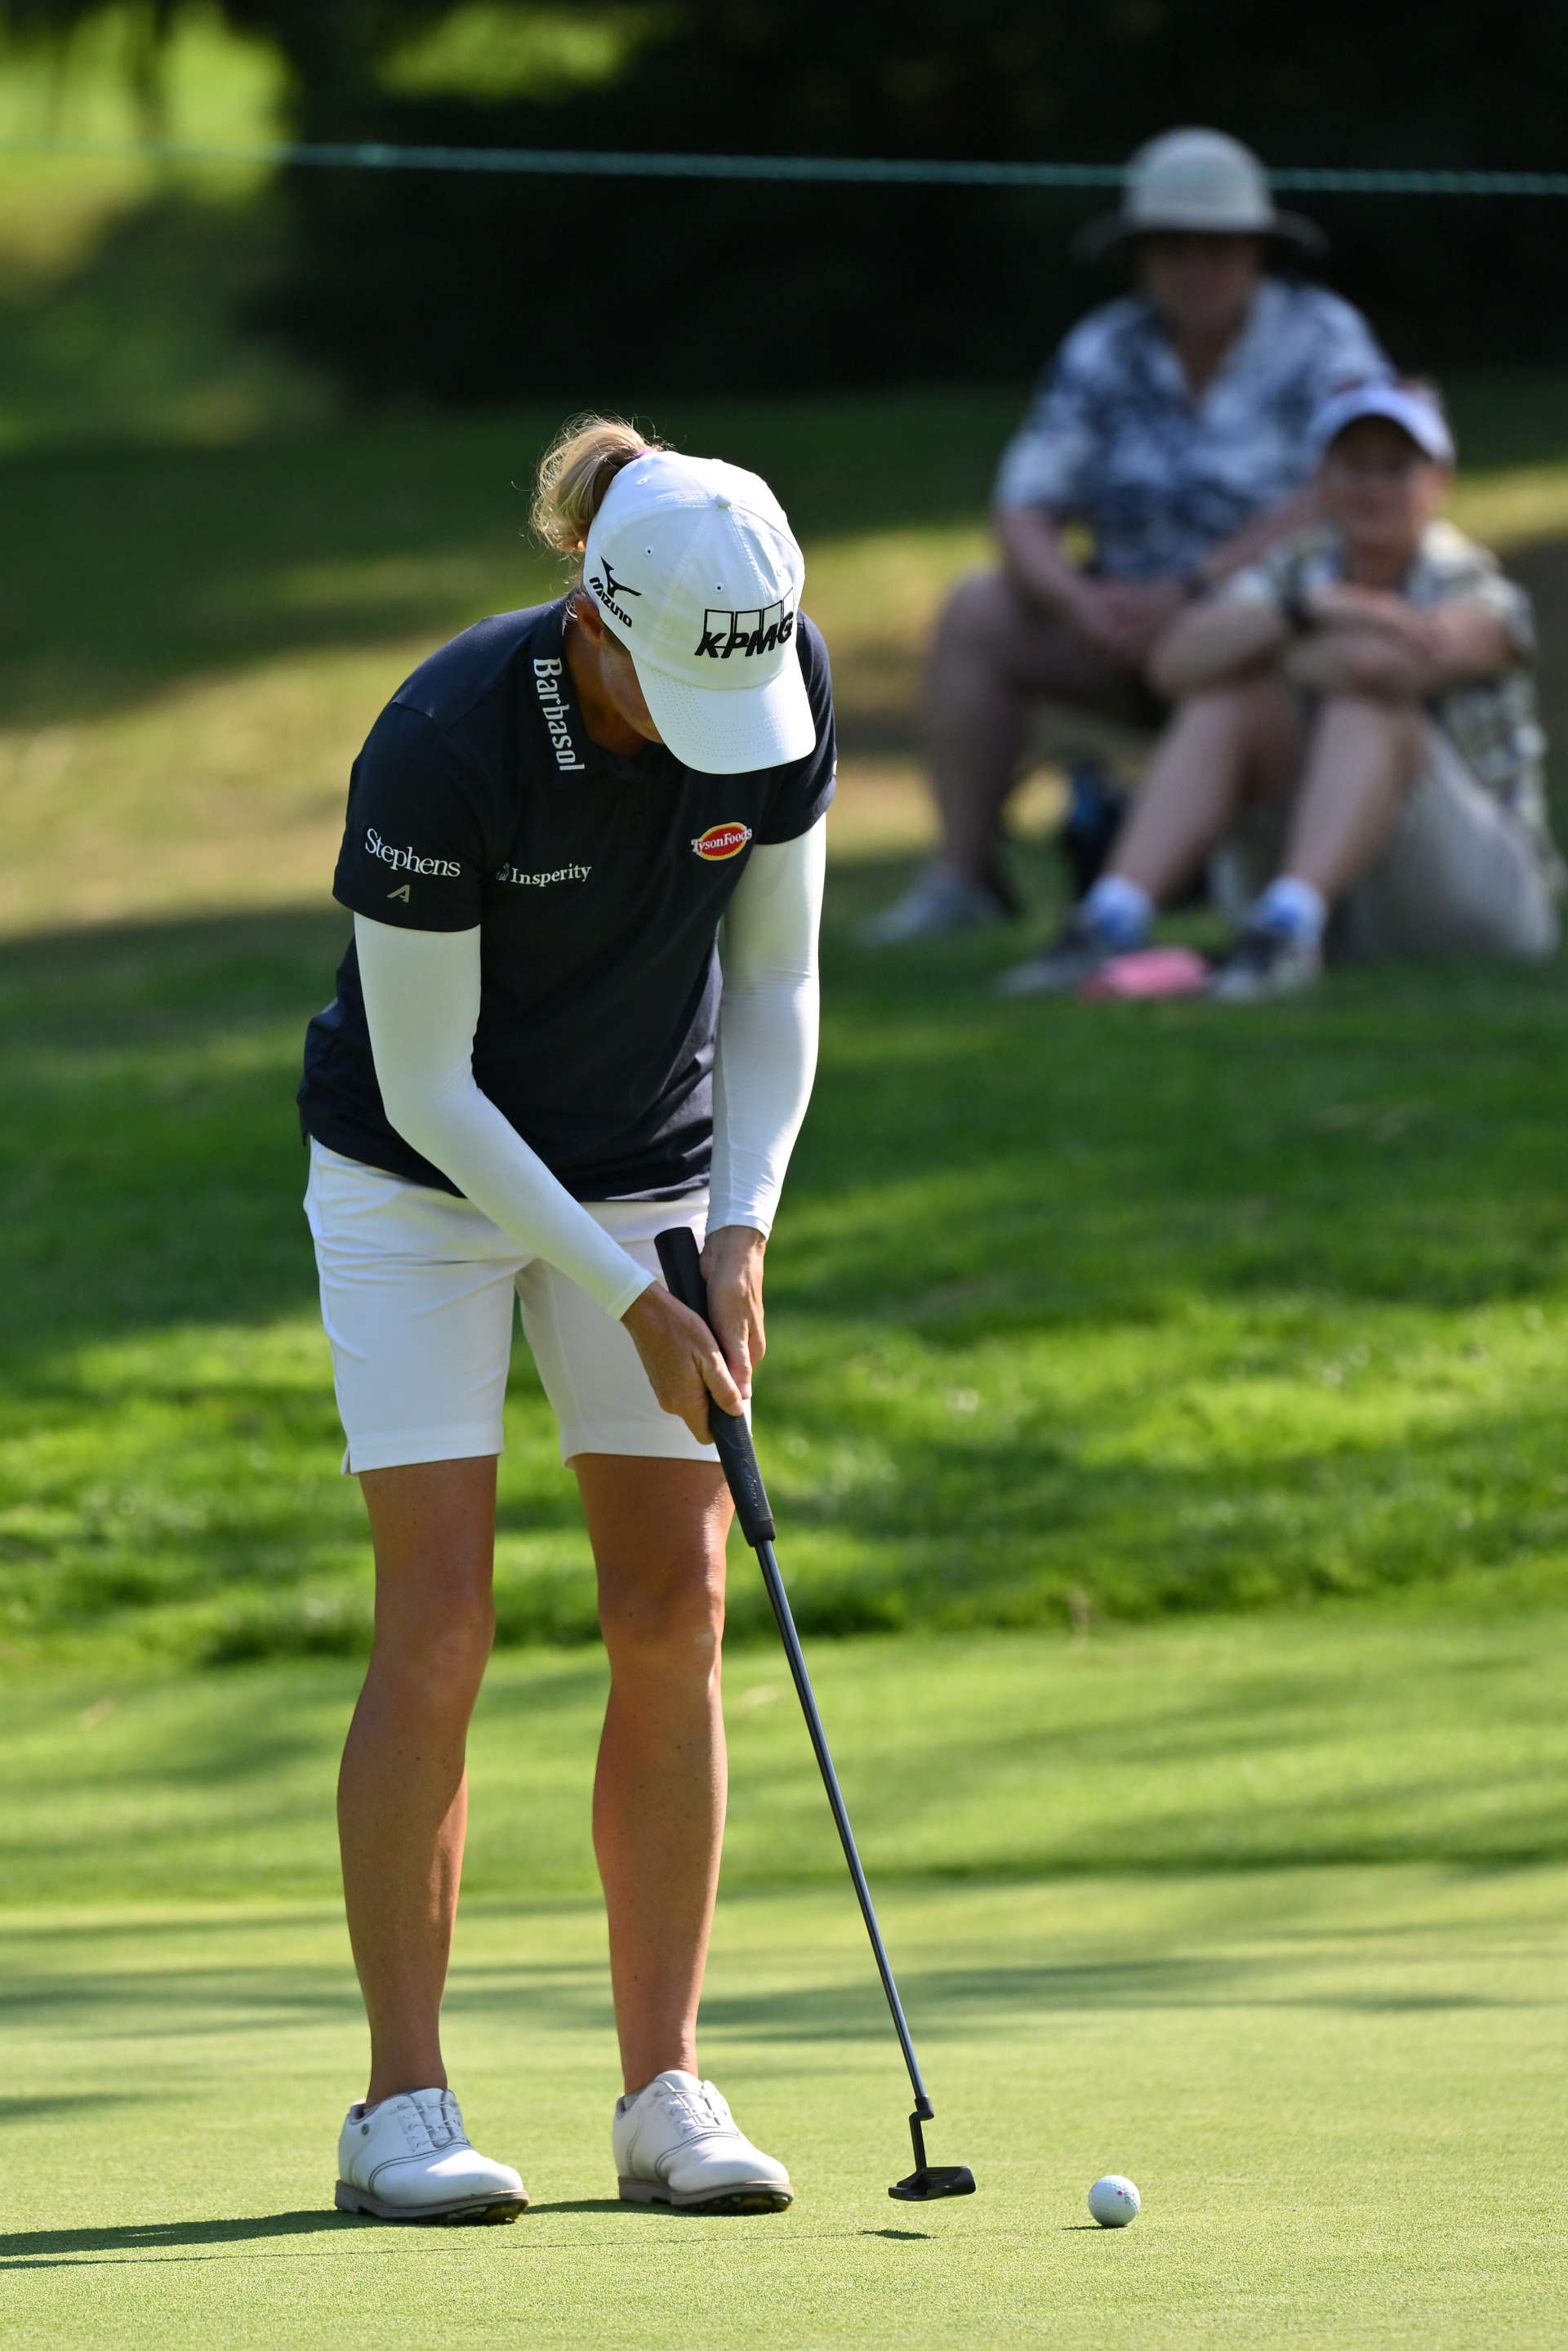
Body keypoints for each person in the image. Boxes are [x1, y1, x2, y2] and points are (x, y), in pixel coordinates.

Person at [296, 417, 835, 2220]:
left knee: (673, 1601)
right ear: (593, 622)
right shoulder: (444, 744)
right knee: (441, 1617)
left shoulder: (774, 674)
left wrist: (736, 1226)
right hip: (412, 1178)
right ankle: (400, 2103)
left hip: (650, 1166)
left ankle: (665, 2086)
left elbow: (773, 981)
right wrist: (625, 1290)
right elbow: (435, 1085)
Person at [864, 127, 1385, 945]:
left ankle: (1190, 896)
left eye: (1218, 243)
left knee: (1244, 656)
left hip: (1271, 631)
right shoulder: (1105, 346)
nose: (1196, 263)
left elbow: (1347, 491)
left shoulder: (1324, 337)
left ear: (1257, 248)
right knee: (977, 611)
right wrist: (1077, 600)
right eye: (1172, 243)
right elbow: (1025, 505)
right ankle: (965, 877)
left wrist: (1199, 588)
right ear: (1140, 253)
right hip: (1122, 629)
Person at [1002, 377, 1560, 1000]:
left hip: (1480, 904)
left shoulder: (1474, 584)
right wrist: (1320, 609)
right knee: (1226, 703)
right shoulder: (1296, 578)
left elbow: (1380, 671)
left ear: (1438, 486)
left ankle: (1288, 929)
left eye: (1394, 468)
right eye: (1353, 466)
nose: (1372, 486)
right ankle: (1111, 918)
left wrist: (1264, 644)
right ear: (1320, 482)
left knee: (1364, 710)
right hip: (1353, 901)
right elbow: (1173, 663)